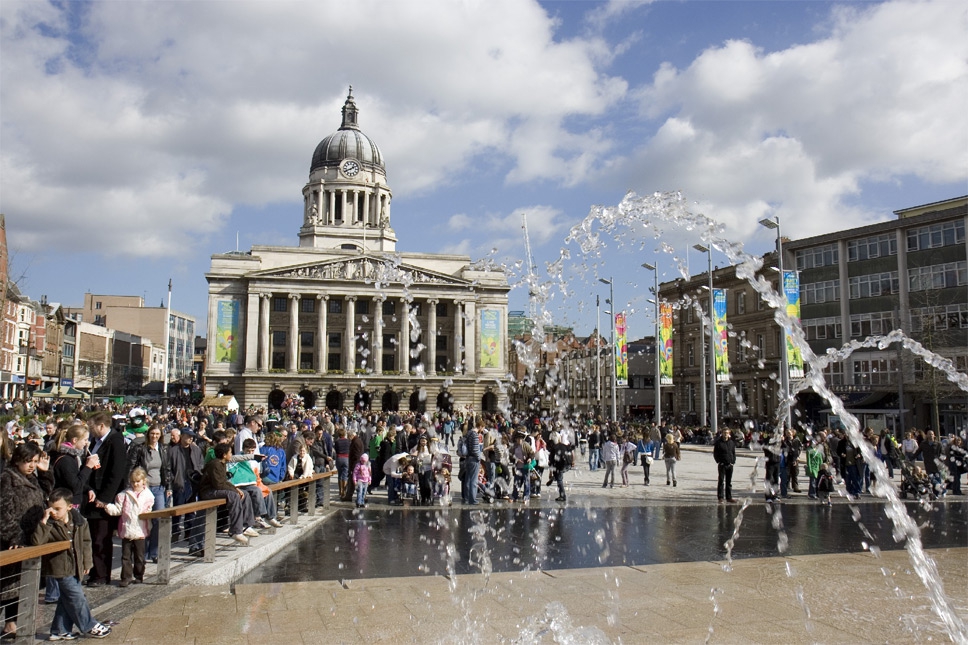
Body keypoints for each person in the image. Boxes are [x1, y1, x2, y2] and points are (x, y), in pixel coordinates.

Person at [31, 488, 112, 640]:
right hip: (60, 567)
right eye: (51, 508)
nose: (53, 512)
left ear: (69, 507)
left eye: (57, 509)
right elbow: (37, 542)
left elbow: (87, 543)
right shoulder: (49, 523)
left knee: (66, 598)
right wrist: (44, 522)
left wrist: (87, 562)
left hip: (76, 566)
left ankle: (59, 630)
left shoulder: (80, 522)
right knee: (77, 596)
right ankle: (89, 625)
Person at [1, 442, 54, 639]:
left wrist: (45, 473)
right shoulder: (7, 479)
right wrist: (15, 537)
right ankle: (10, 623)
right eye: (28, 462)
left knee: (19, 585)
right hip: (13, 540)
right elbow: (4, 512)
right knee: (7, 586)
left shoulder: (30, 477)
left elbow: (45, 494)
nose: (32, 465)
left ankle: (12, 623)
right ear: (18, 460)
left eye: (34, 461)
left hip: (31, 537)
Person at [83, 412, 129, 587]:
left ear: (101, 425)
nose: (90, 430)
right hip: (92, 495)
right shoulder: (96, 442)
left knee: (101, 537)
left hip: (103, 498)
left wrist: (105, 498)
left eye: (92, 426)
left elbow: (116, 473)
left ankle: (102, 575)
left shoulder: (115, 441)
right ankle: (95, 571)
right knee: (94, 536)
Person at [98, 467, 154, 587]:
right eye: (133, 481)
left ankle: (139, 575)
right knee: (126, 556)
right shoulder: (123, 495)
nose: (135, 484)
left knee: (139, 557)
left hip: (140, 531)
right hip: (127, 529)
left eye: (138, 481)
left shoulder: (148, 496)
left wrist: (149, 520)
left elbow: (149, 511)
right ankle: (126, 577)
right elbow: (118, 510)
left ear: (143, 481)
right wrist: (106, 506)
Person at [126, 425, 170, 564]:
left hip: (159, 488)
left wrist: (168, 487)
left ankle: (154, 552)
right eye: (152, 433)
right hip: (144, 489)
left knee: (158, 520)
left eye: (157, 434)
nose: (154, 436)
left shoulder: (162, 449)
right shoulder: (140, 448)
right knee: (143, 519)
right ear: (148, 434)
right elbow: (131, 467)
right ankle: (141, 553)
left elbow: (167, 469)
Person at [199, 444, 258, 545]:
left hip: (216, 488)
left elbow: (224, 482)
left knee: (245, 494)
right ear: (224, 455)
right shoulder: (215, 464)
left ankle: (246, 525)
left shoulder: (222, 463)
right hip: (208, 491)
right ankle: (236, 530)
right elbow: (218, 484)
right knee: (234, 496)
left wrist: (236, 489)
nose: (231, 454)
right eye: (230, 452)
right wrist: (234, 491)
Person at [167, 428, 205, 556]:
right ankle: (175, 532)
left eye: (192, 437)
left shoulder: (196, 450)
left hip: (193, 482)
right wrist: (172, 482)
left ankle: (188, 532)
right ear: (182, 436)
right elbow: (169, 468)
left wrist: (199, 475)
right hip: (180, 482)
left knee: (191, 510)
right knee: (178, 509)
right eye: (188, 436)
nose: (190, 439)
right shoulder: (173, 450)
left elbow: (200, 464)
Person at [713, 429, 737, 503]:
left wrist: (733, 462)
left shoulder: (731, 442)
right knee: (721, 481)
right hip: (722, 464)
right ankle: (720, 497)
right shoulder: (718, 443)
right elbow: (715, 453)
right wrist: (719, 461)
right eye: (724, 433)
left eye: (727, 433)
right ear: (722, 433)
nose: (726, 434)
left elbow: (733, 453)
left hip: (730, 464)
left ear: (729, 433)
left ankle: (729, 497)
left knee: (729, 482)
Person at [461, 420, 482, 505]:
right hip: (474, 459)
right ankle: (472, 499)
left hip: (468, 458)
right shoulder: (475, 435)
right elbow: (475, 449)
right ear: (480, 426)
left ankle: (466, 497)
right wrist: (479, 457)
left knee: (468, 479)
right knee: (473, 480)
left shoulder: (469, 433)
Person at [549, 433, 574, 502]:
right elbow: (572, 452)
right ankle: (556, 476)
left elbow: (551, 462)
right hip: (568, 464)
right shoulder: (564, 445)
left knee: (559, 479)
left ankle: (562, 496)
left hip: (560, 465)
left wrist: (550, 473)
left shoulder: (553, 448)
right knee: (558, 475)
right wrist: (572, 461)